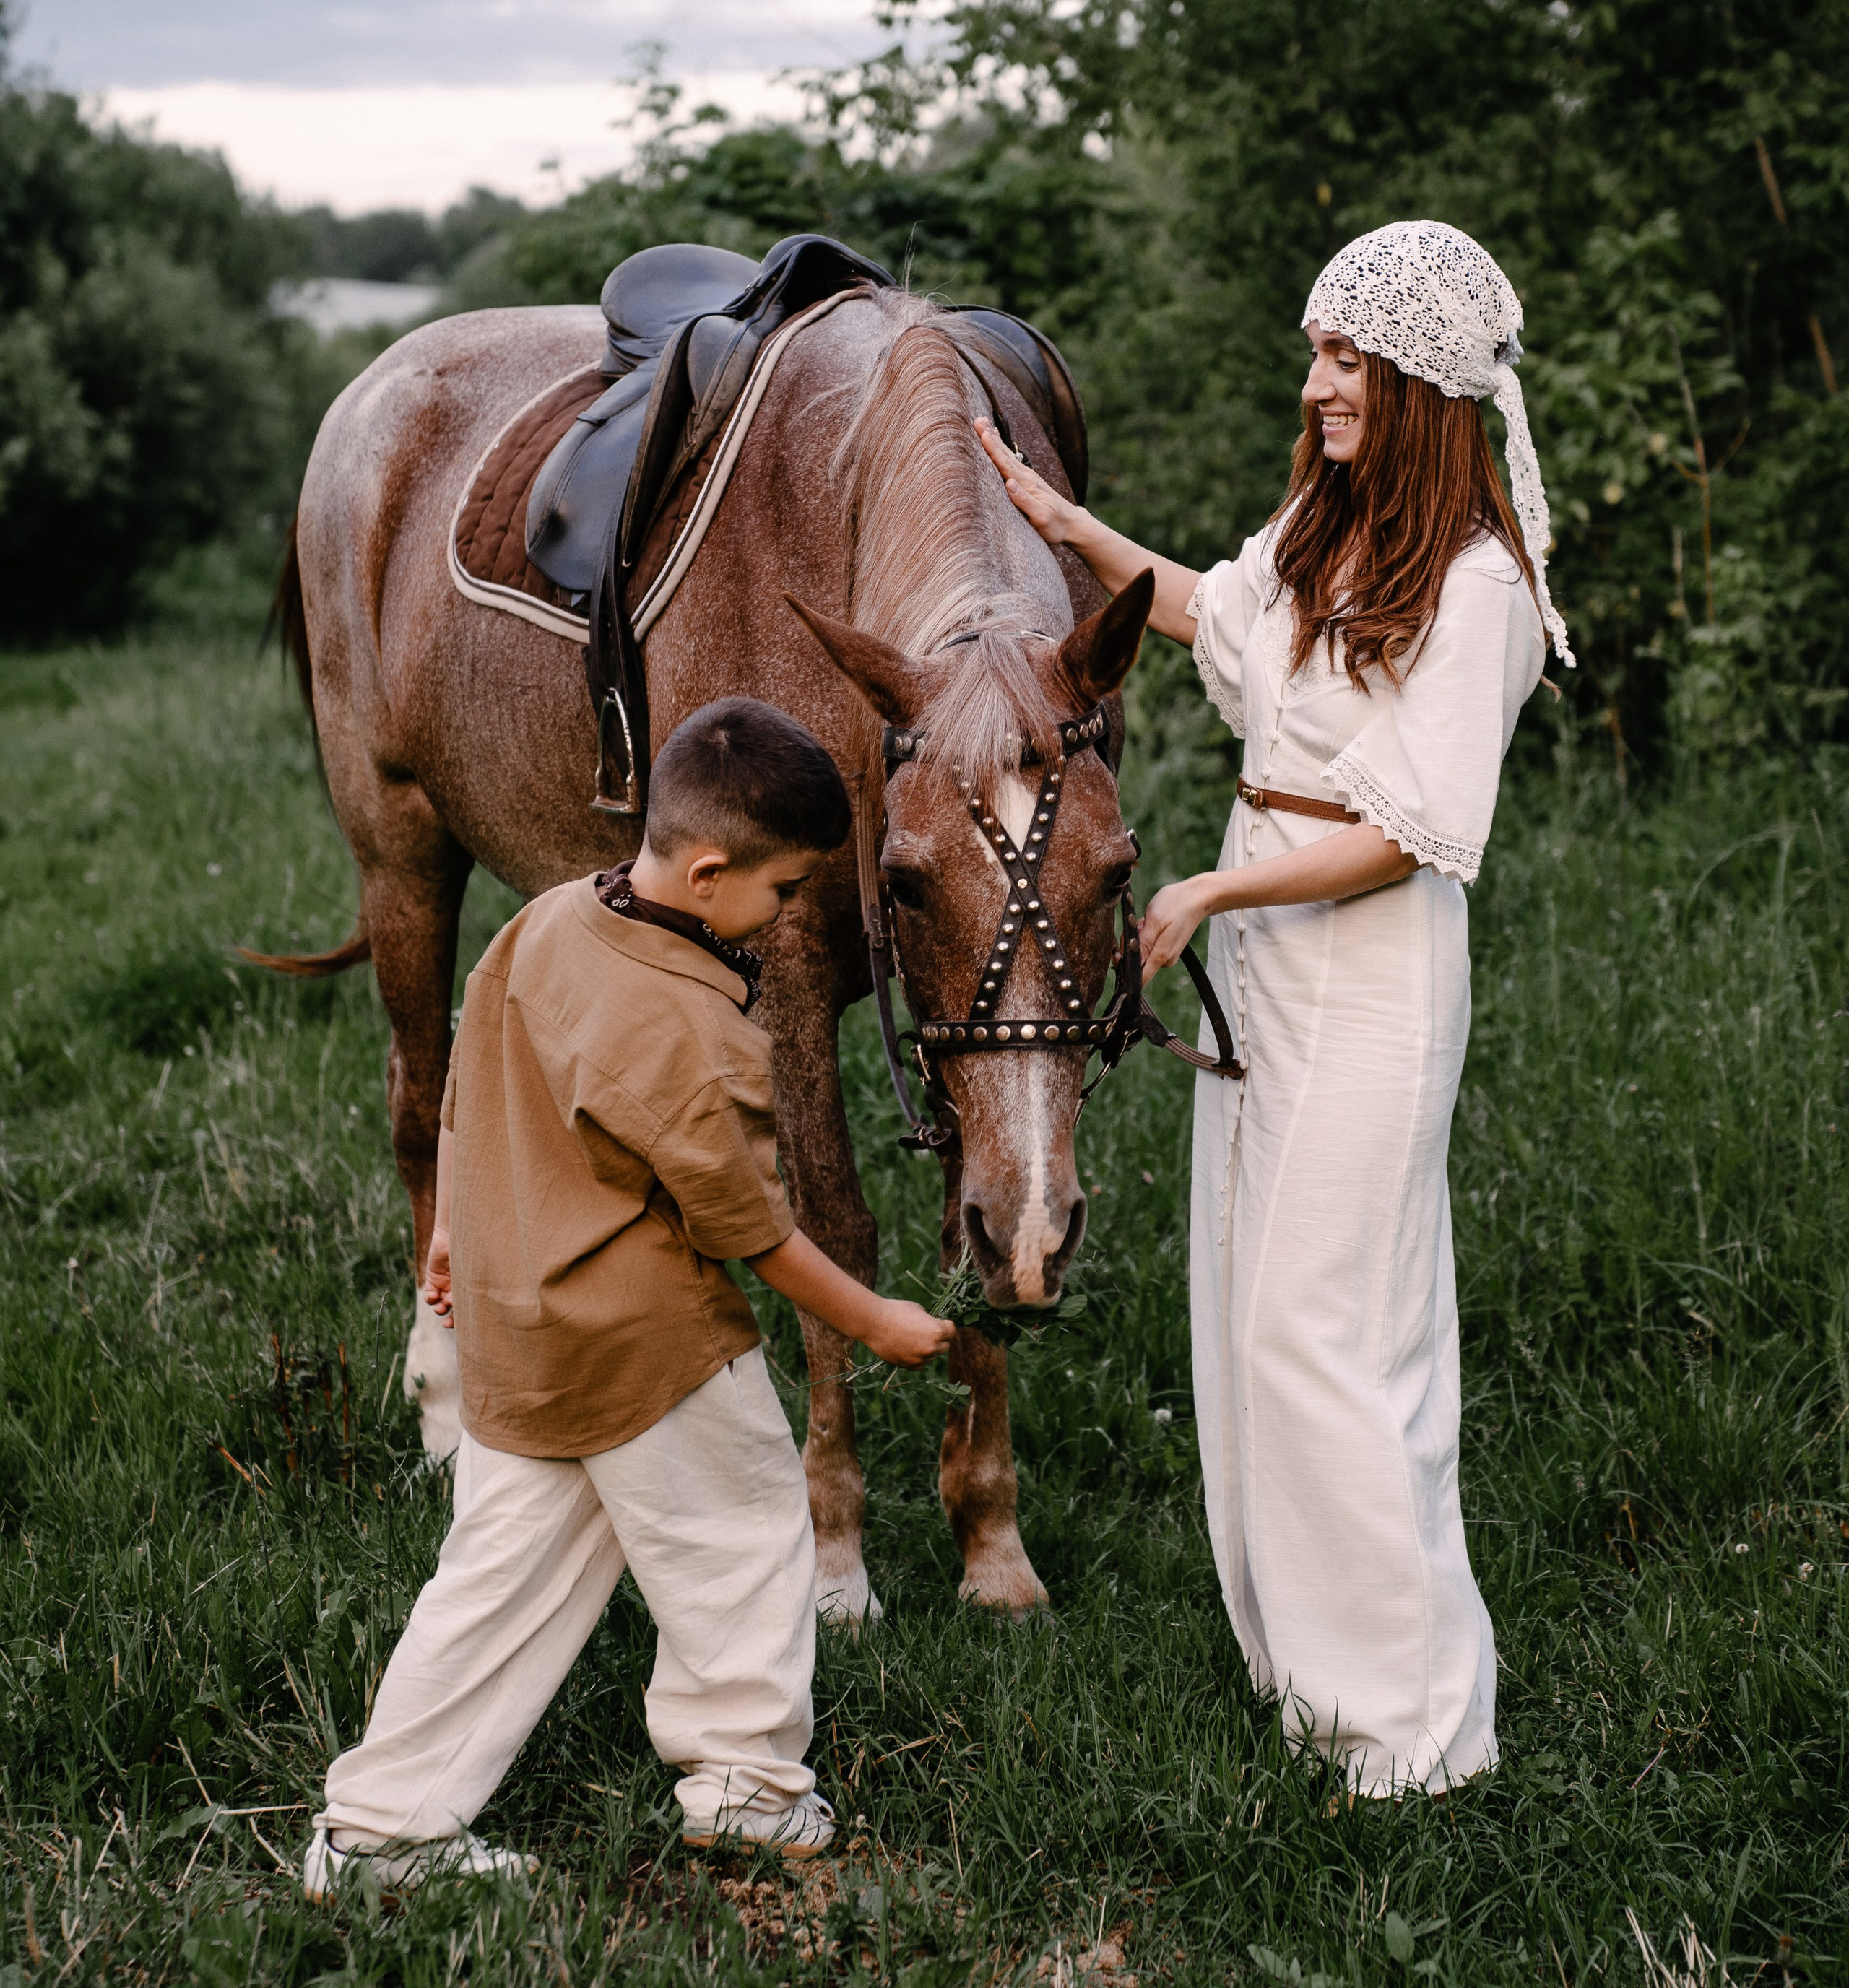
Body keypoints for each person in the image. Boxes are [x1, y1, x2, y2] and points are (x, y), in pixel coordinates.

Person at [979, 220, 1571, 1794]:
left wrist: (1203, 896)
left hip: (1364, 968)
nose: (1312, 386)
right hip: (1270, 952)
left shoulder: (1473, 581)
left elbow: (1407, 832)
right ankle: (1307, 1684)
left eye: (1341, 361)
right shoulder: (1327, 530)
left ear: (1422, 383)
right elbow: (1203, 614)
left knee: (1327, 1325)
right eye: (1313, 355)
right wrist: (1054, 516)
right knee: (1250, 1315)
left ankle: (1408, 1737)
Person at [303, 698, 953, 1897]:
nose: (791, 913)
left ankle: (381, 1825)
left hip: (519, 1327)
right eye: (787, 890)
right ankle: (749, 1791)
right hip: (651, 1351)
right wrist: (875, 1320)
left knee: (500, 1578)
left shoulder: (546, 920)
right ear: (709, 873)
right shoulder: (697, 1030)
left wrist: (445, 1233)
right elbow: (753, 1231)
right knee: (747, 1534)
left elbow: (466, 1078)